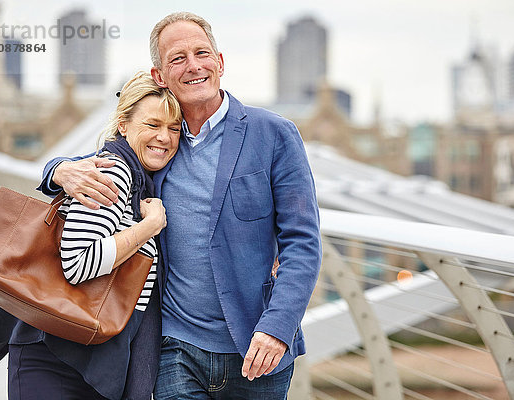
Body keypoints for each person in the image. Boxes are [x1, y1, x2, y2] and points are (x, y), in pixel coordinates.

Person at [40, 11, 322, 399]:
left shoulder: (274, 134)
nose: (194, 66)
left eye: (202, 53)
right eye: (177, 58)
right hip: (175, 349)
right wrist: (58, 171)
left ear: (219, 63)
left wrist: (278, 327)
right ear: (160, 76)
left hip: (257, 350)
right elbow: (107, 159)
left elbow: (303, 243)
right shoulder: (159, 145)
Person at [0, 72, 182, 400]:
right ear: (123, 125)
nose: (165, 137)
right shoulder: (115, 172)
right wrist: (149, 226)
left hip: (82, 355)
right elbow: (79, 262)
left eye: (174, 129)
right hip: (58, 360)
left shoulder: (139, 178)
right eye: (153, 125)